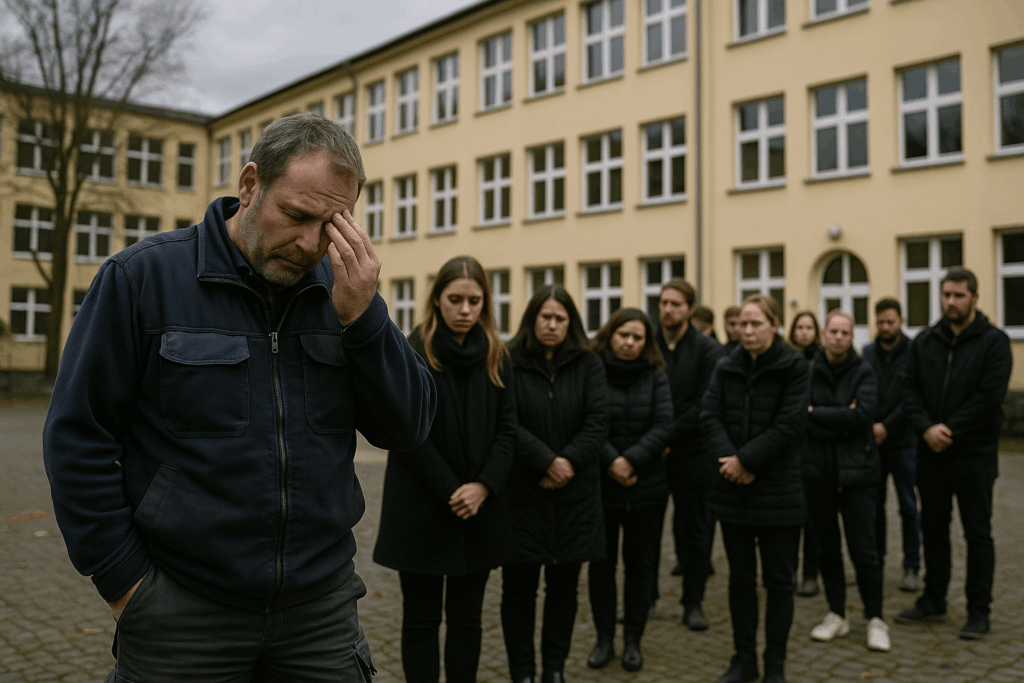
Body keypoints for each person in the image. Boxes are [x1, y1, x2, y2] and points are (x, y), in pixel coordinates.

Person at [41, 113, 437, 681]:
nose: (308, 243)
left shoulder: (344, 293)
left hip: (318, 612)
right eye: (296, 216)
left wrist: (364, 320)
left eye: (329, 225)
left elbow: (410, 428)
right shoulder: (142, 280)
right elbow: (78, 438)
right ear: (250, 185)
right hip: (181, 610)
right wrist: (125, 582)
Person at [373, 256, 516, 683]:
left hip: (478, 511)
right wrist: (453, 489)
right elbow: (408, 434)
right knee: (420, 620)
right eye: (456, 299)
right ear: (437, 300)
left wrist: (483, 487)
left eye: (474, 301)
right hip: (422, 511)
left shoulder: (496, 355)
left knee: (467, 620)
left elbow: (508, 430)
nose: (465, 310)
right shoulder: (413, 350)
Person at [896, 267, 1013, 639]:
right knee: (933, 526)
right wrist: (926, 427)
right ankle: (934, 599)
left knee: (978, 533)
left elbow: (989, 398)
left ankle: (979, 611)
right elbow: (908, 390)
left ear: (974, 298)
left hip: (974, 455)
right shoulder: (925, 340)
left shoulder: (994, 341)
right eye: (946, 294)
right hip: (931, 454)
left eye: (958, 295)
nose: (950, 302)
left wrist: (950, 429)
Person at [501, 285, 608, 683]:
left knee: (563, 591)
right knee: (519, 591)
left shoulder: (589, 364)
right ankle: (523, 672)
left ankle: (554, 670)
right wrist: (546, 461)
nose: (552, 324)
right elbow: (507, 420)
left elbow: (598, 421)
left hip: (575, 496)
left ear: (571, 323)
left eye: (560, 318)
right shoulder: (509, 360)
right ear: (531, 319)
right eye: (545, 316)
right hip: (523, 493)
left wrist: (567, 463)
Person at [702, 295, 810, 683]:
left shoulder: (795, 368)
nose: (747, 331)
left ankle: (775, 663)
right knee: (741, 580)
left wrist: (745, 461)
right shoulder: (725, 366)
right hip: (734, 493)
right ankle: (743, 659)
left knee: (780, 582)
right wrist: (730, 462)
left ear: (774, 325)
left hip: (779, 491)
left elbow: (790, 426)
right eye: (742, 324)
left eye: (756, 324)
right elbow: (709, 416)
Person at [585, 308, 673, 673]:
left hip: (646, 487)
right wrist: (612, 461)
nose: (630, 343)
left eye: (638, 338)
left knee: (641, 566)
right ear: (610, 335)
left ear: (646, 342)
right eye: (624, 335)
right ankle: (604, 638)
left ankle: (633, 640)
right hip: (602, 487)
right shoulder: (593, 371)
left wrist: (632, 460)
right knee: (601, 566)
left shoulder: (656, 375)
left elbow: (664, 423)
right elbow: (588, 419)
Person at [802, 311, 890, 653]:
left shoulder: (864, 370)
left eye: (845, 332)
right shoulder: (808, 371)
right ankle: (837, 613)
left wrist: (817, 413)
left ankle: (875, 619)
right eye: (833, 331)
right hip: (817, 472)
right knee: (827, 548)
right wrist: (840, 415)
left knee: (863, 549)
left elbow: (863, 416)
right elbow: (800, 416)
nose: (838, 337)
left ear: (852, 336)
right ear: (823, 334)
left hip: (858, 475)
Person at [652, 279, 724, 631]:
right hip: (650, 452)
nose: (667, 310)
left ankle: (692, 602)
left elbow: (704, 403)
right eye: (663, 303)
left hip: (692, 452)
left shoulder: (708, 350)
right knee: (646, 531)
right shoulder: (646, 341)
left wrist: (667, 434)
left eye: (675, 304)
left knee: (693, 530)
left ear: (691, 309)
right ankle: (645, 597)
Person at [862, 298, 921, 593]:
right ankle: (876, 562)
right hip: (874, 442)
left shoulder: (914, 352)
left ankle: (912, 566)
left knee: (909, 506)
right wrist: (872, 424)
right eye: (881, 322)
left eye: (891, 321)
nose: (885, 327)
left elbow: (912, 396)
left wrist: (888, 425)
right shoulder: (867, 353)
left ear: (901, 320)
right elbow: (864, 391)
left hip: (904, 442)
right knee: (874, 506)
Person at [786, 310, 822, 598]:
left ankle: (811, 573)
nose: (805, 332)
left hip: (814, 445)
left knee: (811, 516)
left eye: (809, 327)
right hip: (788, 446)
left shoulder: (822, 361)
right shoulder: (785, 360)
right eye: (800, 327)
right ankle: (787, 571)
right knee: (788, 518)